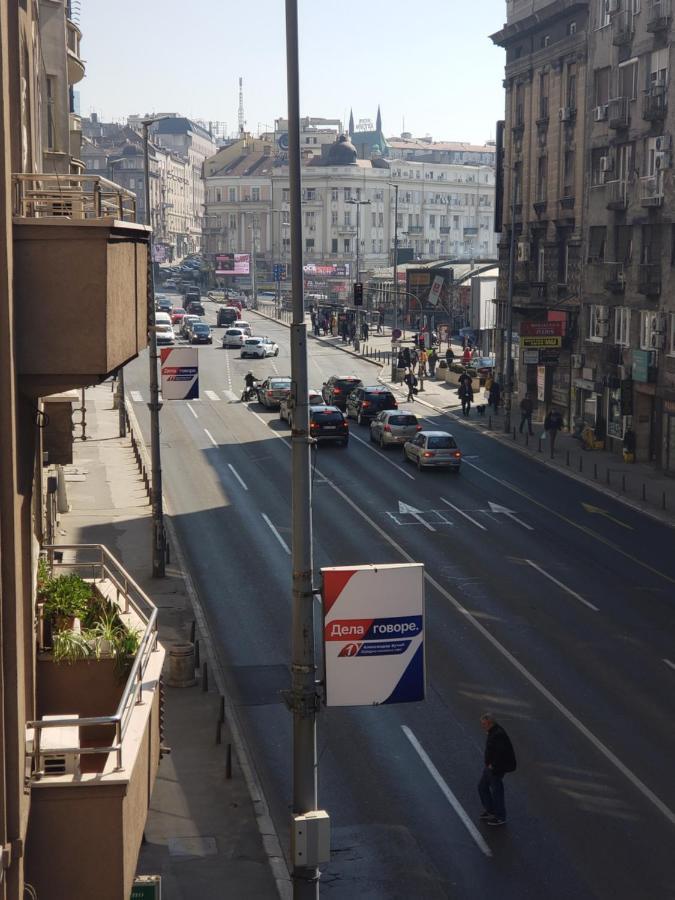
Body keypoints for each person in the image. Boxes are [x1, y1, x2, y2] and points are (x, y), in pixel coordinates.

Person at [478, 712, 517, 827]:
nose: (482, 726)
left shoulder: (497, 734)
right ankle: (491, 810)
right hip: (491, 766)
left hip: (496, 768)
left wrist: (493, 765)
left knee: (497, 792)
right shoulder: (494, 731)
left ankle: (500, 816)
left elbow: (501, 753)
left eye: (484, 724)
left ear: (490, 723)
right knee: (482, 787)